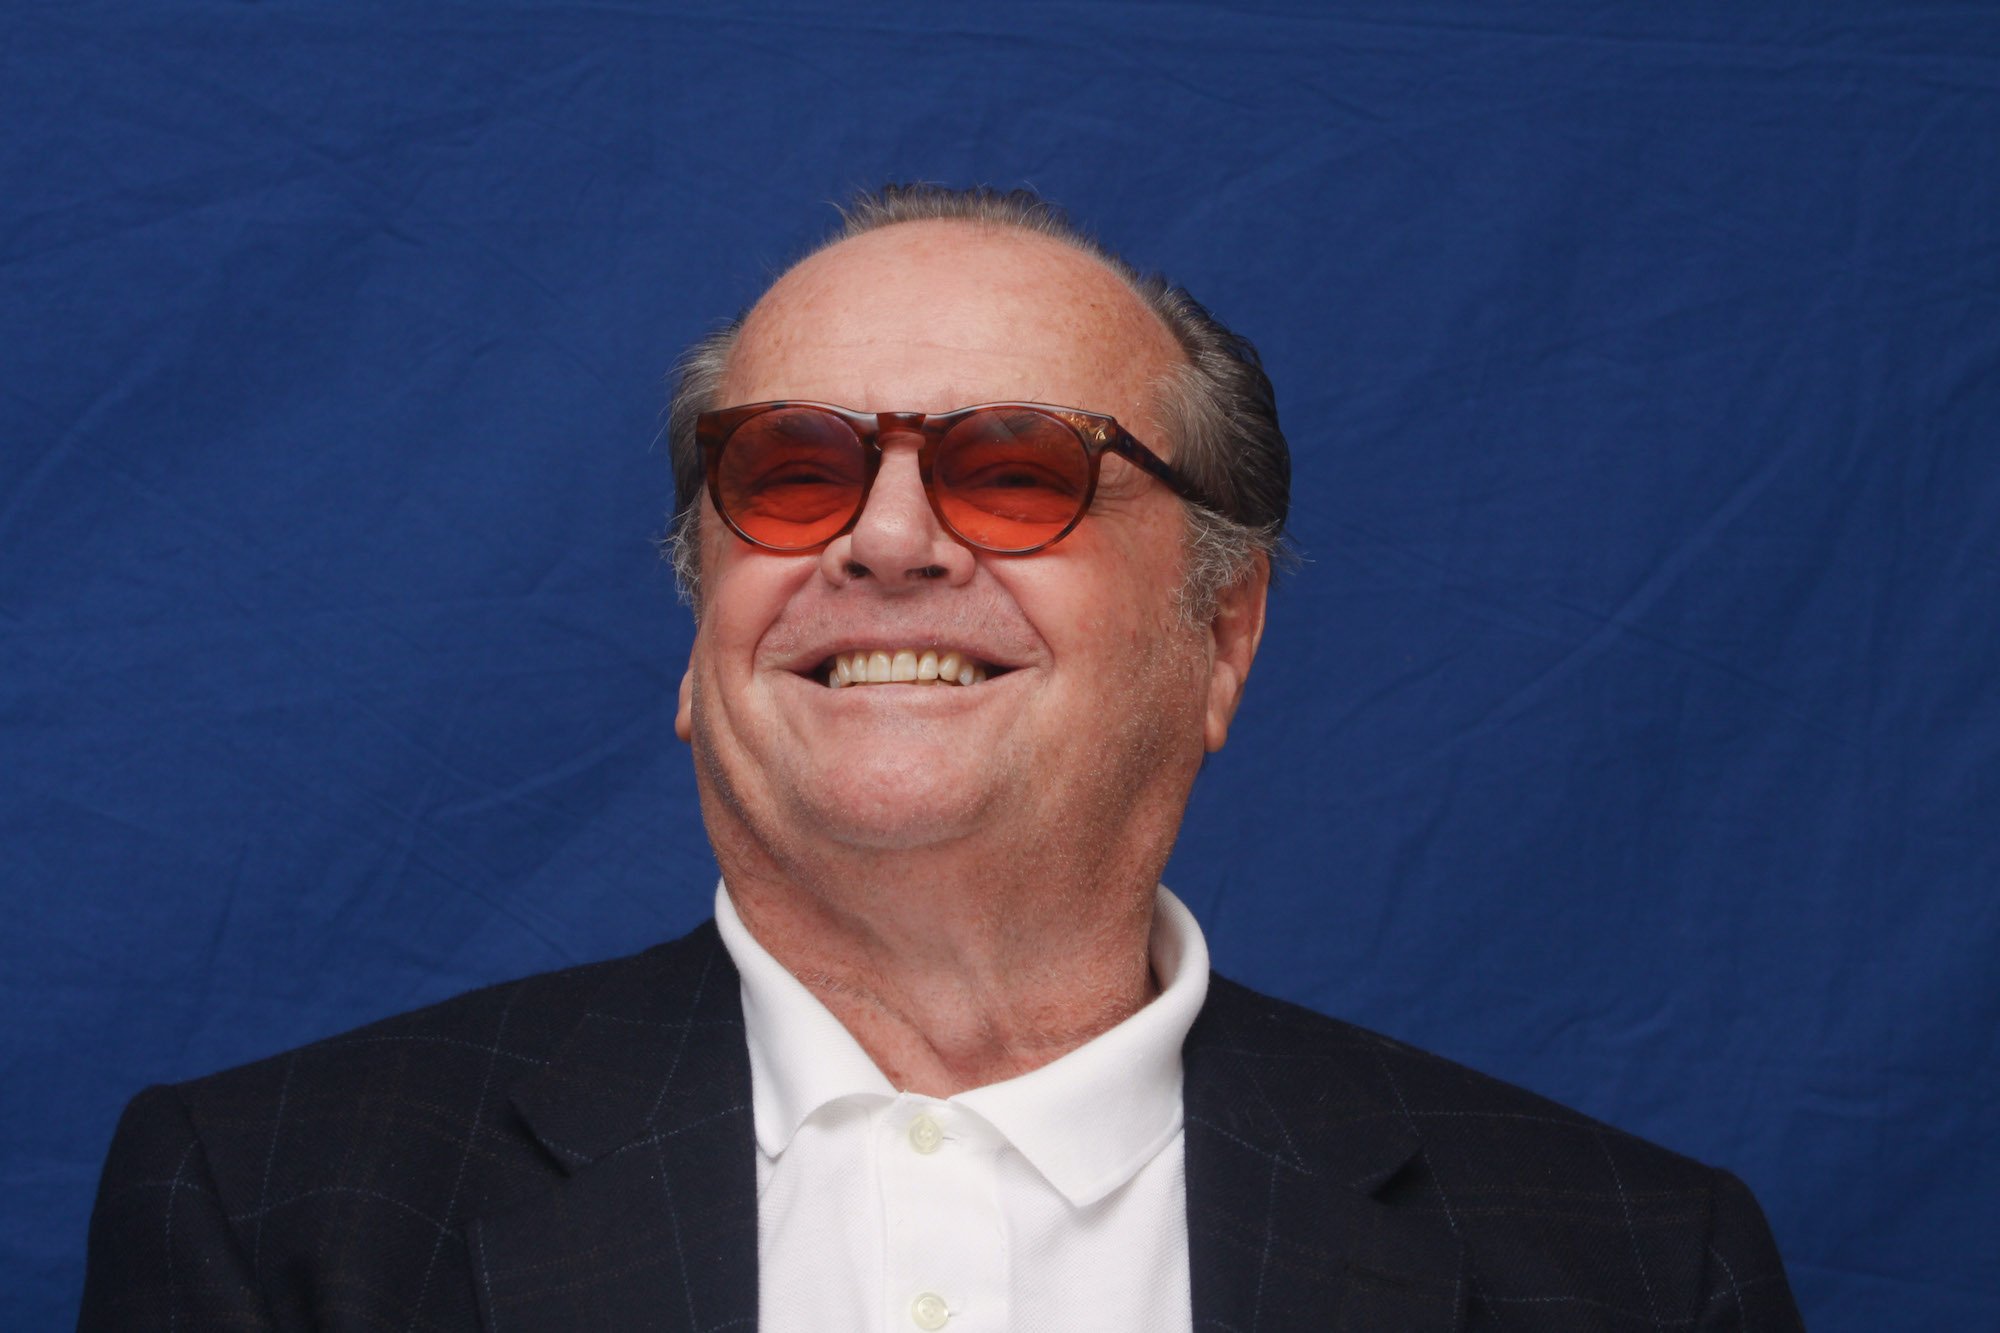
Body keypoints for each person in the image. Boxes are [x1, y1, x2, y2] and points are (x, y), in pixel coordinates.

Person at [80, 185, 1803, 1330]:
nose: (887, 539)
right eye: (789, 469)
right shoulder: (275, 1216)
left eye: (1014, 465)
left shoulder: (1632, 1271)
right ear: (700, 643)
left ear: (1223, 637)